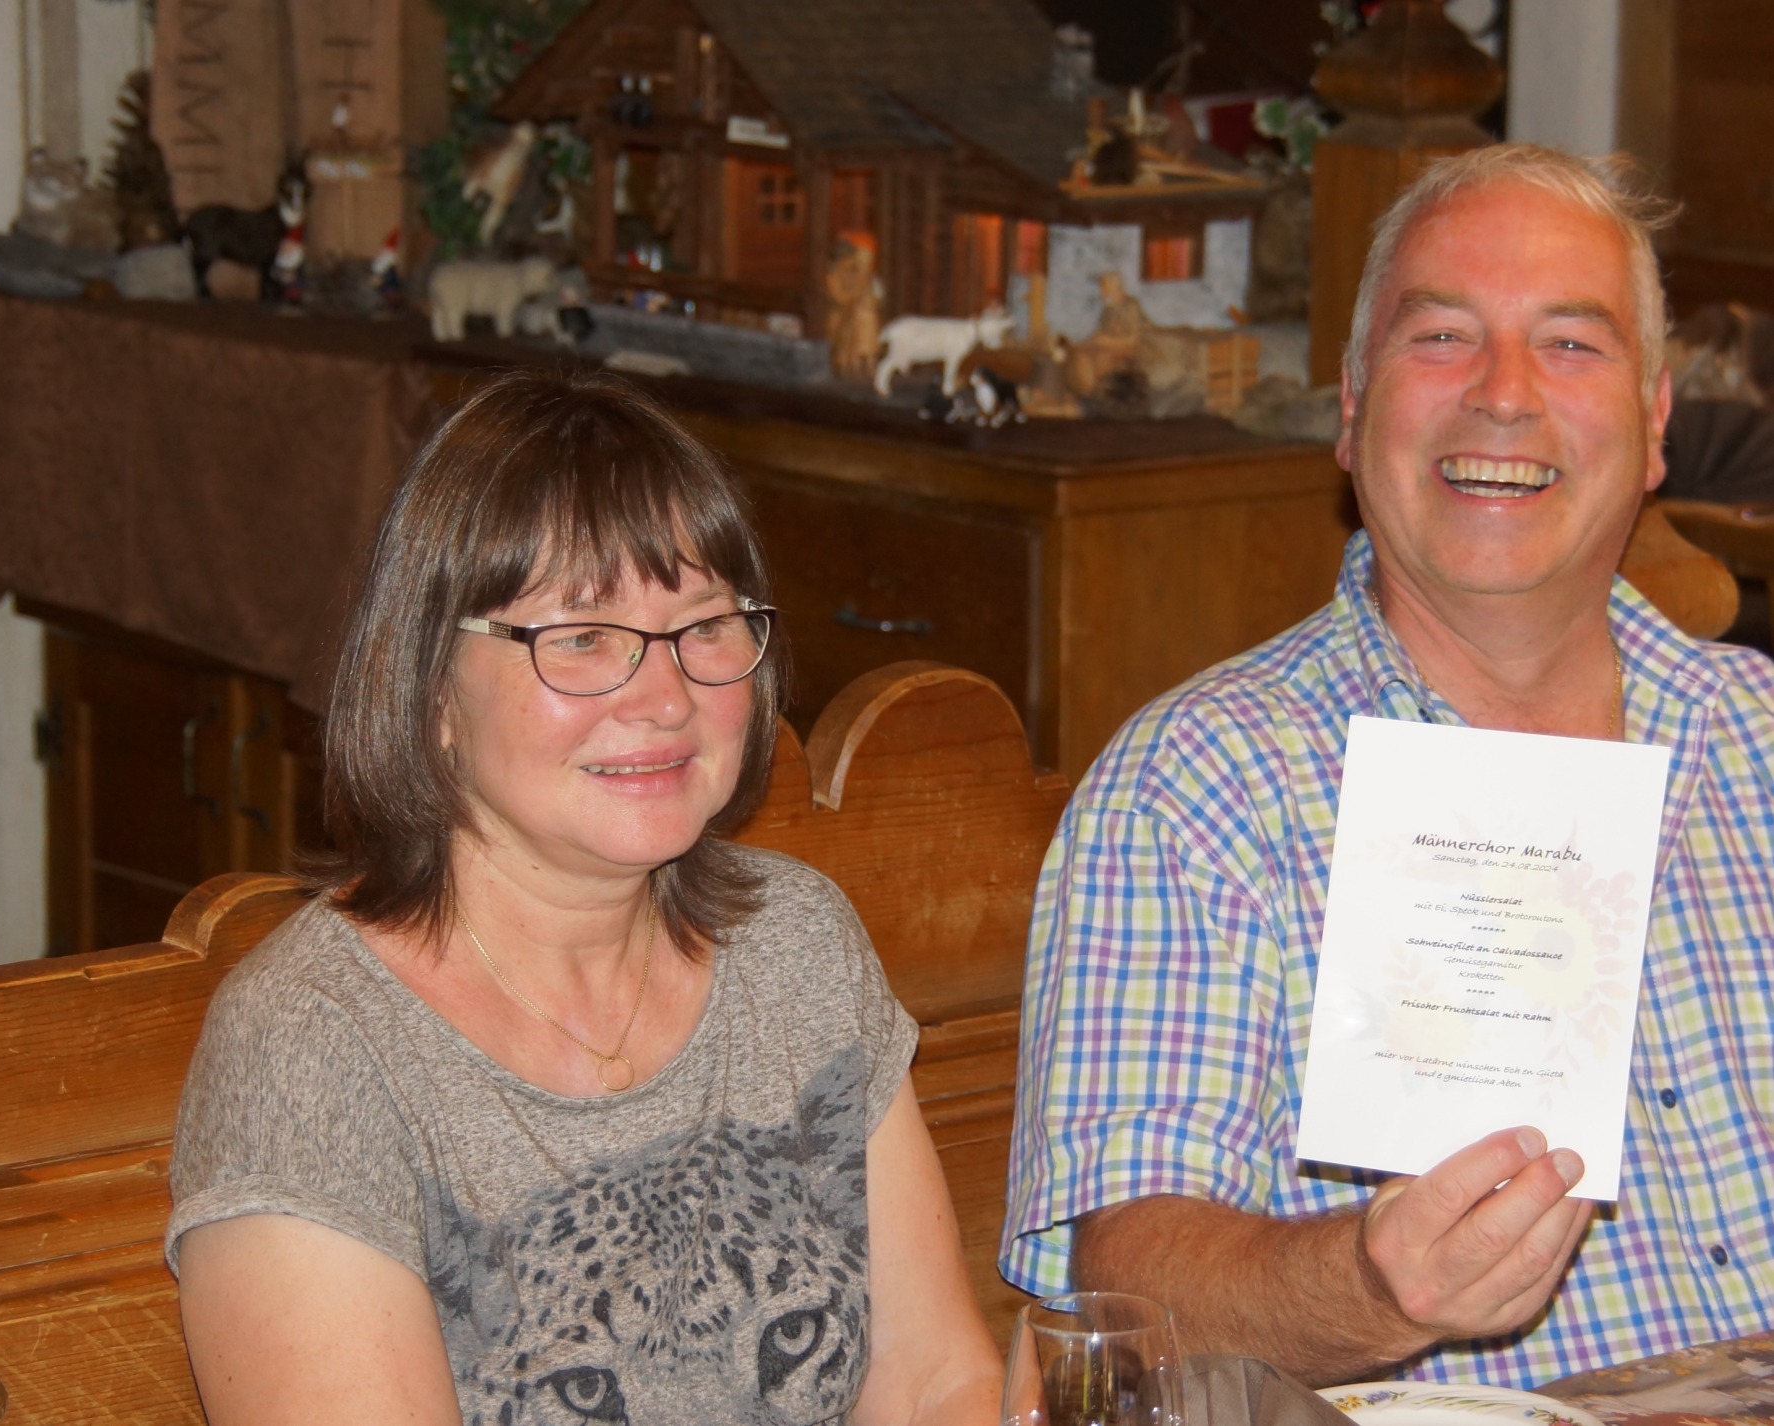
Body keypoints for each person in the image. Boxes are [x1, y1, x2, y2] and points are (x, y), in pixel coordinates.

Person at [1003, 143, 1774, 1389]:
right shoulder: (1200, 784)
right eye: (1441, 338)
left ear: (1651, 425)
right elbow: (1129, 1293)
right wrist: (1368, 1286)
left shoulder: (1758, 741)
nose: (1503, 394)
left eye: (1569, 343)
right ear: (1352, 410)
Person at [167, 369, 1002, 1425]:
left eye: (704, 625)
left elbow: (934, 1383)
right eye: (580, 637)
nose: (664, 697)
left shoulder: (791, 939)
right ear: (432, 690)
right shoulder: (312, 1048)